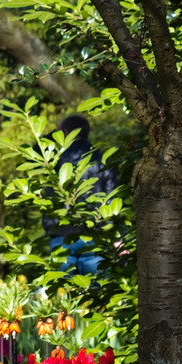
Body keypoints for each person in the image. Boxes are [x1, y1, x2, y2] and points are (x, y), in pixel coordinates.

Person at [43, 114, 118, 276]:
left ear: (65, 131)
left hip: (61, 232)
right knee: (96, 288)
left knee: (63, 290)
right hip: (94, 232)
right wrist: (111, 231)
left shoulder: (54, 161)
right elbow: (111, 199)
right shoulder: (102, 159)